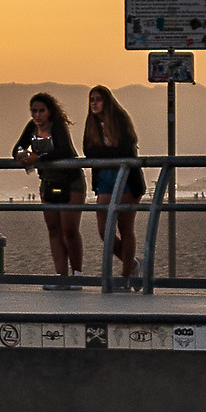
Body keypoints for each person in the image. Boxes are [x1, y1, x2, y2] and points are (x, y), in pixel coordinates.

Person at [13, 93, 86, 281]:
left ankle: (77, 274)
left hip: (71, 181)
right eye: (34, 111)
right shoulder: (31, 128)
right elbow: (17, 147)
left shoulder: (58, 127)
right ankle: (60, 275)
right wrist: (22, 155)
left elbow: (63, 151)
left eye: (41, 111)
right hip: (48, 181)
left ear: (49, 111)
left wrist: (40, 157)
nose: (37, 115)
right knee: (54, 229)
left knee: (69, 229)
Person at [83, 86, 148, 281]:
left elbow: (124, 150)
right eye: (92, 99)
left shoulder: (119, 119)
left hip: (127, 178)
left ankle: (126, 273)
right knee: (105, 232)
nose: (94, 103)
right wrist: (107, 154)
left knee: (125, 228)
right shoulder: (91, 124)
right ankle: (134, 263)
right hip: (104, 180)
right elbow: (89, 151)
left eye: (98, 99)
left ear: (107, 101)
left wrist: (103, 153)